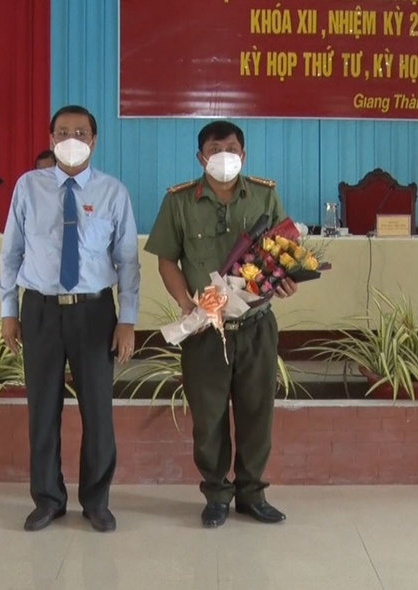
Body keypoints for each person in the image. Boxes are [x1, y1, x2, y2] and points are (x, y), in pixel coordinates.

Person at [144, 120, 298, 528]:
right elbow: (166, 259)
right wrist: (186, 304)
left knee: (257, 415)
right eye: (215, 149)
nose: (224, 156)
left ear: (243, 155)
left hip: (256, 325)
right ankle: (216, 494)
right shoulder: (178, 201)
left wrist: (285, 280)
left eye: (231, 148)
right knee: (208, 418)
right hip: (204, 330)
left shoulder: (264, 195)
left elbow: (284, 252)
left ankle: (252, 494)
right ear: (201, 157)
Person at [0, 105, 140, 533]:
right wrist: (8, 311)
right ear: (51, 138)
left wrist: (127, 320)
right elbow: (11, 254)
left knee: (97, 411)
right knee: (43, 410)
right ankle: (48, 499)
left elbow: (128, 261)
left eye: (80, 132)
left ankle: (96, 501)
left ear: (94, 140)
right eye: (63, 132)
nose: (71, 139)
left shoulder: (113, 192)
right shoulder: (28, 187)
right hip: (40, 310)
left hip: (94, 312)